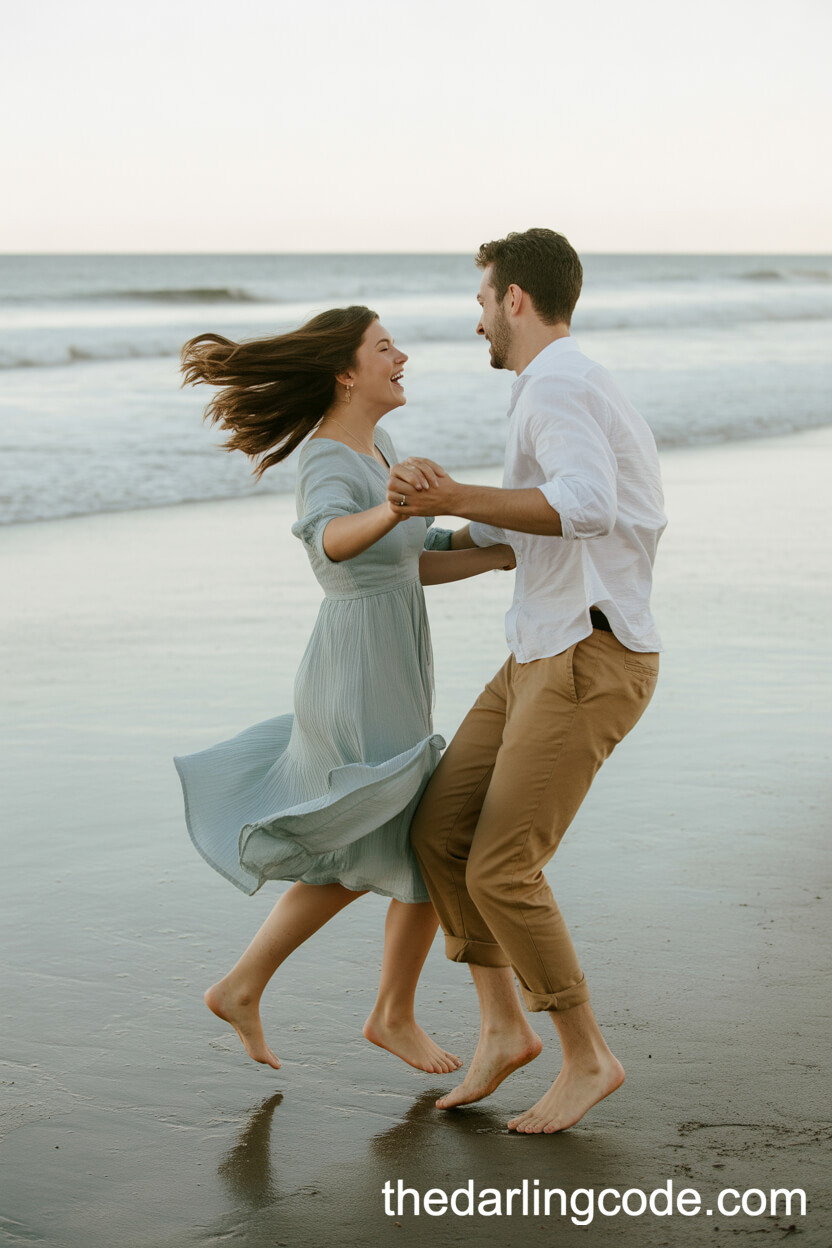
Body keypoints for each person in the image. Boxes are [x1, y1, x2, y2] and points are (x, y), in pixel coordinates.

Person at [174, 306, 515, 1075]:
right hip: (356, 670)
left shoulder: (380, 448)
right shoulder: (328, 458)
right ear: (345, 373)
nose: (402, 357)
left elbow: (407, 556)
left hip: (389, 660)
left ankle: (243, 987)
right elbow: (330, 543)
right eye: (384, 347)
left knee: (382, 842)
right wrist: (394, 505)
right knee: (418, 837)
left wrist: (495, 550)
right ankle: (389, 1013)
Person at [386, 229, 667, 1133]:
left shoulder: (557, 384)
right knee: (440, 831)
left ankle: (588, 1057)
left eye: (482, 301)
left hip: (588, 654)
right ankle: (505, 1030)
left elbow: (585, 507)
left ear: (514, 299)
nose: (477, 322)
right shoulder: (554, 385)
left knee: (503, 868)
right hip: (541, 648)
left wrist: (453, 496)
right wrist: (398, 550)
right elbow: (516, 533)